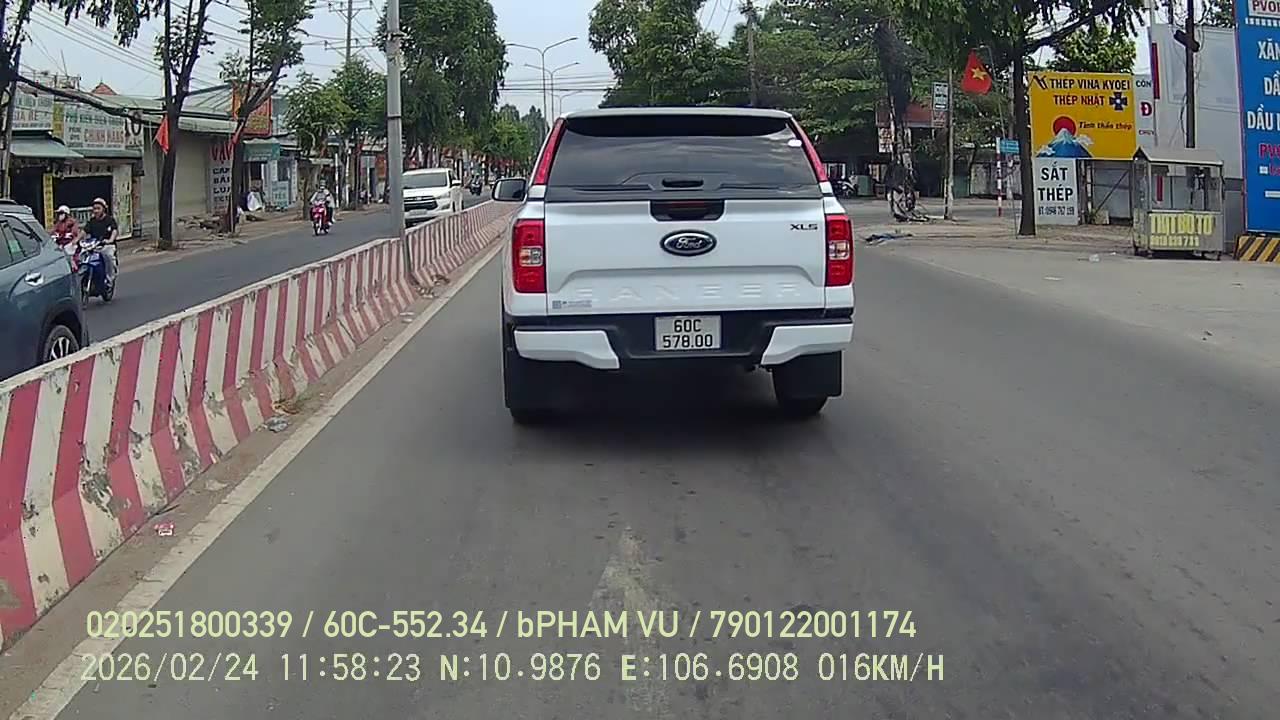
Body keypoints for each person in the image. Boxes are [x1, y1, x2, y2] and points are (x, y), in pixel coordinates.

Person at [84, 198, 119, 284]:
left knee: (108, 255)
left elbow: (114, 231)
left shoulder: (109, 220)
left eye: (98, 208)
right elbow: (84, 231)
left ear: (103, 209)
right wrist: (75, 241)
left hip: (107, 245)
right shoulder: (92, 221)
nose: (96, 211)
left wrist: (110, 240)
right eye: (94, 209)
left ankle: (110, 278)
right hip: (94, 245)